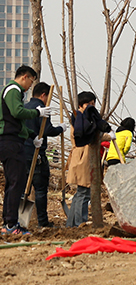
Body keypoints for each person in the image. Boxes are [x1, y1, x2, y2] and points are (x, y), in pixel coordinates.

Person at [0, 66, 51, 235]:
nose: (30, 86)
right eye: (31, 81)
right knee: (17, 182)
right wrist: (36, 112)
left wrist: (32, 136)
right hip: (11, 142)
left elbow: (18, 123)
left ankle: (8, 222)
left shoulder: (14, 92)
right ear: (24, 77)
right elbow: (17, 112)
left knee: (13, 182)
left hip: (12, 141)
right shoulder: (13, 90)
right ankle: (11, 224)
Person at [66, 91, 112, 227]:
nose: (92, 107)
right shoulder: (81, 119)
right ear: (80, 105)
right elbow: (90, 134)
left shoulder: (80, 117)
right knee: (84, 192)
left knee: (80, 193)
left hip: (81, 156)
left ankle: (72, 223)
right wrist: (107, 136)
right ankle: (80, 222)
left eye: (93, 104)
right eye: (88, 104)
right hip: (83, 157)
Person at [24, 82, 67, 228]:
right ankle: (42, 221)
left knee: (23, 188)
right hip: (37, 155)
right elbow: (47, 130)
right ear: (43, 95)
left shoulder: (24, 108)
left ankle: (18, 220)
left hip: (23, 153)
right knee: (40, 189)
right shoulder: (42, 108)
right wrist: (60, 128)